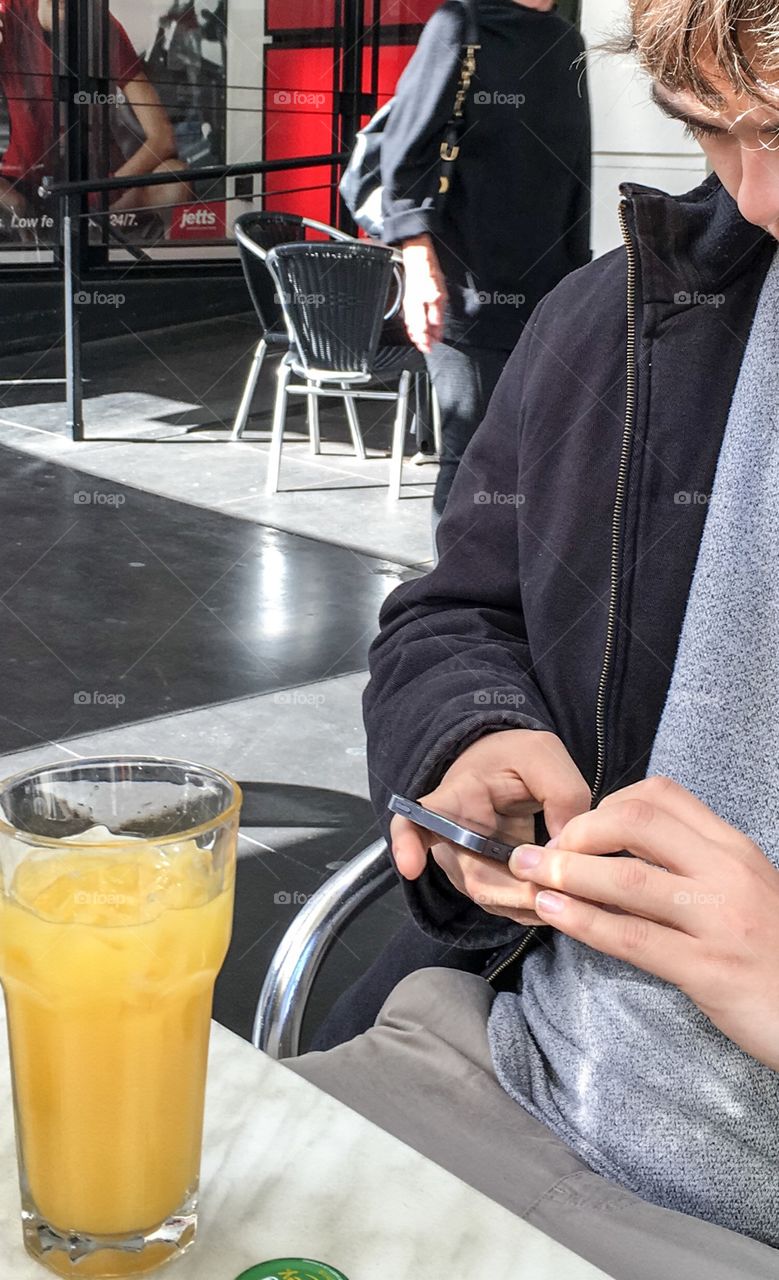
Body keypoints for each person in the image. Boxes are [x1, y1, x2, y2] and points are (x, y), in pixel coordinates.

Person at [283, 0, 779, 1274]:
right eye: (707, 131)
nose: (759, 194)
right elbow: (457, 609)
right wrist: (475, 733)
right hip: (494, 1060)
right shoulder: (620, 321)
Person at [380, 0, 591, 525]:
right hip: (465, 287)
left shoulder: (566, 43)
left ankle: (506, 594)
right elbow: (404, 155)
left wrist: (577, 288)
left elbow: (573, 177)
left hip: (546, 292)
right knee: (471, 454)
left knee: (533, 457)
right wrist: (420, 266)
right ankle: (448, 598)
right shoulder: (459, 26)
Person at [0, 0, 188, 242]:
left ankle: (131, 261)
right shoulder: (9, 14)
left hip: (100, 188)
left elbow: (162, 137)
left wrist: (105, 194)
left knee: (175, 179)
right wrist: (15, 203)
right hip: (22, 187)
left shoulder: (101, 27)